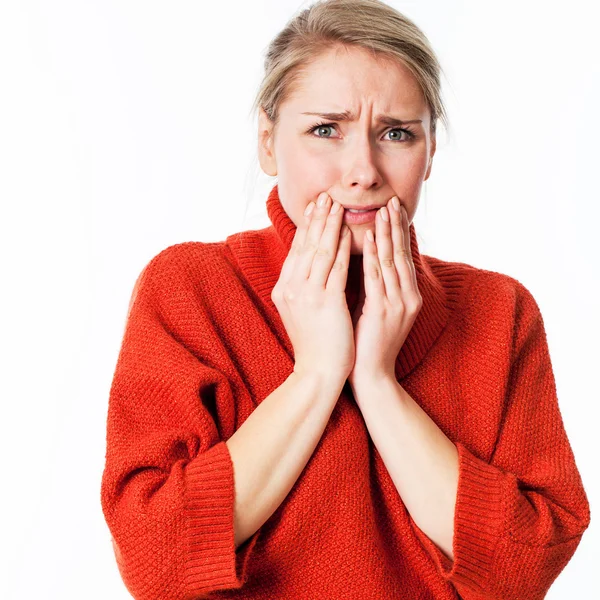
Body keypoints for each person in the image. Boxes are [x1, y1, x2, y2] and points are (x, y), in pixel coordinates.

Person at [100, 1, 591, 598]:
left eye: (396, 133)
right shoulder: (191, 289)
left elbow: (526, 569)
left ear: (430, 152)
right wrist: (316, 374)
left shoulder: (498, 311)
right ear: (267, 142)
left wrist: (377, 380)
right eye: (325, 129)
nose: (362, 170)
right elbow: (156, 560)